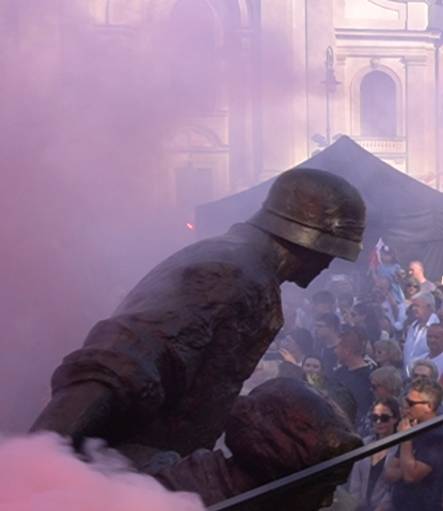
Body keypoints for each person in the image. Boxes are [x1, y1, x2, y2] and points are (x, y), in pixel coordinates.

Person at [31, 168, 366, 462]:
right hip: (118, 472)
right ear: (307, 239)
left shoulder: (244, 268)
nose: (327, 265)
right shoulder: (230, 272)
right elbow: (119, 365)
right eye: (330, 253)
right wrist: (36, 466)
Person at [388, 376, 443, 511]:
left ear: (429, 406)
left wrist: (406, 439)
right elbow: (388, 473)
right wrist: (405, 468)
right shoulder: (411, 430)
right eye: (405, 401)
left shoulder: (439, 438)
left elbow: (411, 476)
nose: (405, 407)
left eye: (411, 403)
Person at [350, 397, 403, 511]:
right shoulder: (365, 443)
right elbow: (355, 483)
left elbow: (395, 487)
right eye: (375, 418)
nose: (378, 422)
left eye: (384, 418)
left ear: (395, 419)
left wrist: (382, 507)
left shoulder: (400, 448)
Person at [334, 330, 375, 424]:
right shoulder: (339, 373)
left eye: (337, 347)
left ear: (347, 350)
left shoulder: (368, 377)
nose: (334, 351)